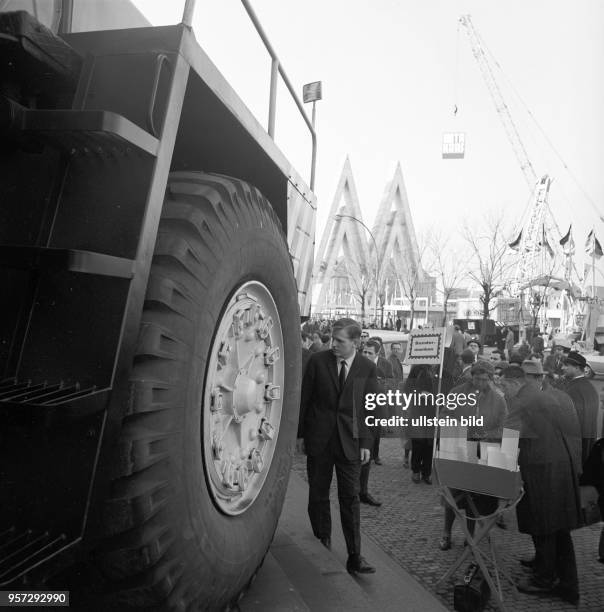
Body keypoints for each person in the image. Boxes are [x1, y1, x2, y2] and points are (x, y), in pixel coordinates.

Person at [298, 318, 376, 574]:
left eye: (340, 341)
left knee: (350, 498)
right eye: (332, 339)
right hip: (319, 440)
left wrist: (366, 442)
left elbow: (370, 407)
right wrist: (300, 436)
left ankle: (355, 555)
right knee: (318, 494)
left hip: (350, 443)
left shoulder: (366, 367)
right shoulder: (317, 362)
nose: (334, 345)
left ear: (355, 342)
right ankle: (323, 539)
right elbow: (305, 399)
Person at [502, 365, 581, 605]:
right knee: (557, 525)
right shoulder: (544, 394)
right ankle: (556, 574)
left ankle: (547, 579)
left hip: (542, 469)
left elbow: (509, 437)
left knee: (545, 523)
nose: (503, 390)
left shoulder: (522, 399)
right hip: (558, 465)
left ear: (515, 381)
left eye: (504, 384)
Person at [439, 361, 507, 551]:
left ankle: (469, 536)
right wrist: (461, 426)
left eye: (485, 379)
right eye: (477, 378)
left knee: (474, 498)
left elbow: (504, 425)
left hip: (483, 453)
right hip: (459, 450)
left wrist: (488, 435)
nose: (480, 383)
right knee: (453, 496)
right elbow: (443, 415)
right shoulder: (457, 392)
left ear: (491, 379)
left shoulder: (498, 399)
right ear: (472, 376)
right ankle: (446, 532)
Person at [563, 351, 599, 467]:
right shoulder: (590, 387)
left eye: (566, 365)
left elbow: (569, 419)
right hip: (588, 438)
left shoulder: (573, 389)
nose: (563, 368)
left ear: (577, 368)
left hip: (575, 442)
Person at [361, 339, 393, 469]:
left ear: (377, 353)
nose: (366, 355)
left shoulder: (385, 364)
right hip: (362, 404)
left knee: (376, 432)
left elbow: (391, 381)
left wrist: (382, 384)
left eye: (369, 353)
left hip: (378, 404)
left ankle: (376, 455)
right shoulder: (358, 362)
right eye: (364, 352)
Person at [404, 365, 435, 485]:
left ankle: (426, 472)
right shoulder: (416, 369)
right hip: (418, 411)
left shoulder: (440, 369)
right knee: (418, 443)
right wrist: (419, 394)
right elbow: (408, 389)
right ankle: (416, 470)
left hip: (433, 413)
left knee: (430, 444)